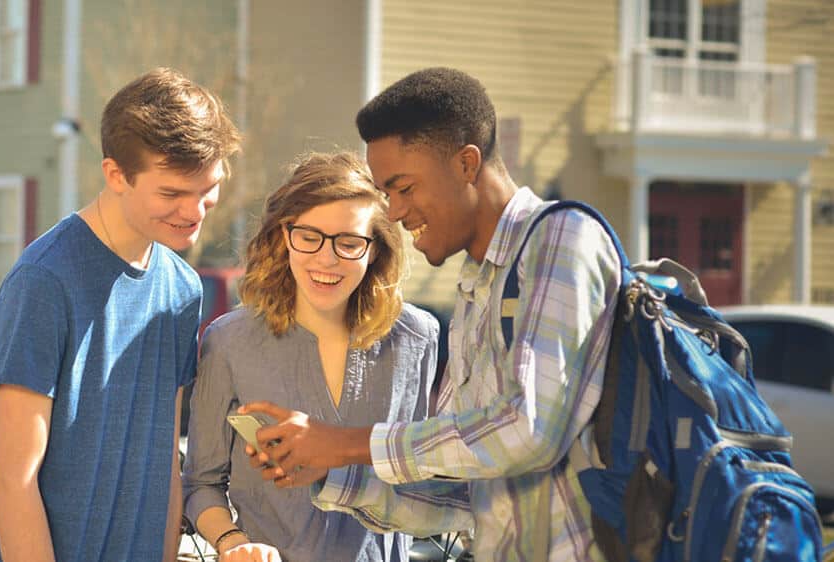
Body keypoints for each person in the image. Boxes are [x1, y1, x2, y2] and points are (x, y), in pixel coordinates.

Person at [241, 67, 624, 561]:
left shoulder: (562, 238)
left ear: (467, 164)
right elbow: (465, 495)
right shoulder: (475, 287)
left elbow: (529, 430)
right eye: (387, 194)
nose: (395, 213)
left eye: (404, 187)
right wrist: (329, 468)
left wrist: (346, 443)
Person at [0, 67, 242, 562]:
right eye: (171, 193)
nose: (194, 212)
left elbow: (166, 460)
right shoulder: (43, 282)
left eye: (206, 190)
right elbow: (14, 479)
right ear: (116, 175)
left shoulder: (183, 288)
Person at [183, 151, 439, 562]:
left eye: (349, 242)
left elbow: (420, 475)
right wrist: (233, 541)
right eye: (309, 236)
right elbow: (200, 484)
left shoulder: (417, 337)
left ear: (375, 249)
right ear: (285, 235)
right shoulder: (229, 341)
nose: (326, 258)